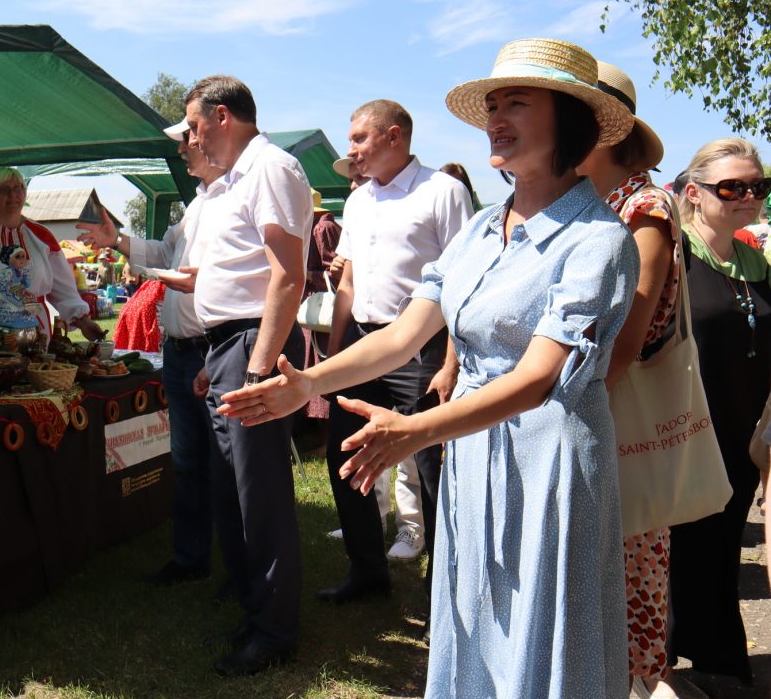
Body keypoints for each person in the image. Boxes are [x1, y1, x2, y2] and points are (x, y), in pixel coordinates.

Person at [219, 38, 640, 697]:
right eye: (493, 104)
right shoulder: (479, 229)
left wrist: (420, 431)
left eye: (517, 103)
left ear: (569, 117)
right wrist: (311, 380)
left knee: (539, 633)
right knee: (475, 620)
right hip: (474, 453)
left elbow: (539, 379)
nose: (496, 118)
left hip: (548, 468)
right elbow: (405, 332)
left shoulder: (600, 241)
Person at [317, 99, 471, 608]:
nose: (351, 149)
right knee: (346, 454)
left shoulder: (443, 192)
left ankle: (442, 593)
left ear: (395, 136)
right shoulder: (358, 200)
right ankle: (367, 571)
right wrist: (333, 359)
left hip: (423, 347)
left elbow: (465, 286)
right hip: (364, 343)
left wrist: (449, 363)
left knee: (430, 465)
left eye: (360, 137)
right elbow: (351, 281)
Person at [182, 75, 312, 677]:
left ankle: (275, 630)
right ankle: (255, 607)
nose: (191, 137)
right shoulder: (236, 177)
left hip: (250, 344)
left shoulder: (271, 167)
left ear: (223, 116)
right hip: (228, 345)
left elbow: (289, 275)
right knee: (233, 492)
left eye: (194, 124)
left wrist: (256, 366)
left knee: (259, 494)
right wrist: (218, 361)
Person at [77, 118, 229, 587]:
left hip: (216, 349)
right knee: (187, 462)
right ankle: (191, 559)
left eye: (187, 141)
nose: (183, 150)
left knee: (225, 466)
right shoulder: (199, 203)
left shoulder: (233, 198)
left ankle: (242, 572)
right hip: (181, 351)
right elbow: (164, 252)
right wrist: (116, 240)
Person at [575, 60, 680, 699]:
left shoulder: (644, 206)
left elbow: (627, 337)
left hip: (616, 411)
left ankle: (635, 681)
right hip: (589, 406)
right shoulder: (590, 200)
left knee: (627, 558)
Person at [668, 137, 770, 685]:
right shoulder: (671, 252)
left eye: (758, 186)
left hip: (740, 433)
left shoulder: (756, 261)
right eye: (731, 186)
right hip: (680, 430)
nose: (746, 195)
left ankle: (713, 657)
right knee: (672, 549)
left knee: (720, 548)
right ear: (694, 192)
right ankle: (656, 662)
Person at [0, 167, 105, 356]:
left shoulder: (41, 235)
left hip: (36, 331)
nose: (13, 195)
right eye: (5, 190)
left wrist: (83, 321)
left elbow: (63, 288)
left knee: (37, 382)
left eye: (18, 188)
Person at [302, 189, 342, 421]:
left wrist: (309, 276)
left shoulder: (322, 228)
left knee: (322, 360)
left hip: (322, 308)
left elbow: (334, 271)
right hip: (317, 308)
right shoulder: (321, 226)